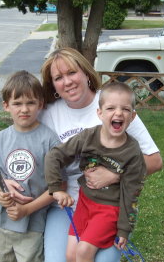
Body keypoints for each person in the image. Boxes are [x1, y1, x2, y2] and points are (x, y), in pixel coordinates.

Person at [6, 47, 162, 262]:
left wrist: (115, 175)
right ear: (53, 85)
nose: (67, 82)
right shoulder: (48, 114)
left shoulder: (113, 105)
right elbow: (20, 144)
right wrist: (6, 178)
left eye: (72, 73)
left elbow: (154, 161)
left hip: (109, 205)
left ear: (86, 73)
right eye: (59, 78)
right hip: (65, 204)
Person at [44, 81, 147, 262]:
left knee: (83, 252)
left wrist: (124, 228)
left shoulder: (133, 152)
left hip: (109, 209)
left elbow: (131, 193)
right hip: (84, 203)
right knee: (70, 255)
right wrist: (56, 188)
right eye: (110, 108)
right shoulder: (88, 137)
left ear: (132, 116)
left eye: (125, 109)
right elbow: (55, 155)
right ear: (99, 113)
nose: (118, 113)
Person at [0, 70, 60, 262]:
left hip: (33, 226)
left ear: (40, 104)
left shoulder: (49, 140)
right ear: (6, 106)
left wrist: (27, 209)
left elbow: (57, 187)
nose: (24, 109)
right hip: (2, 224)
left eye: (30, 103)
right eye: (17, 103)